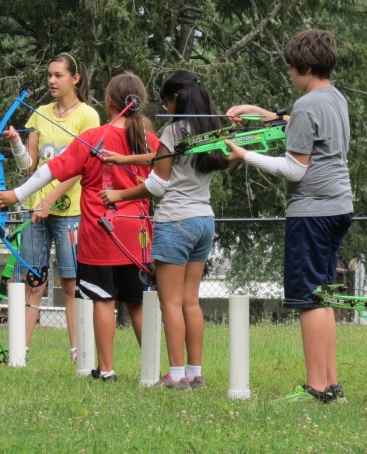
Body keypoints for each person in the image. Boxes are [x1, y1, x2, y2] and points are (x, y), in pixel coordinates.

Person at [0, 72, 159, 381]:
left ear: (109, 102)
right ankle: (151, 372)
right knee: (138, 302)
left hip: (101, 233)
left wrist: (16, 195)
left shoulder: (93, 136)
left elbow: (51, 171)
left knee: (103, 298)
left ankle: (107, 370)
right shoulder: (149, 140)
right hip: (137, 234)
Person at [225, 29, 352, 402]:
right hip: (338, 208)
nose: (289, 75)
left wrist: (243, 155)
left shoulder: (307, 105)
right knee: (324, 295)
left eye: (291, 69)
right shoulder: (334, 98)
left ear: (305, 67)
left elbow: (295, 170)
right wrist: (257, 112)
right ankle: (330, 384)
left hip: (311, 213)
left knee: (308, 298)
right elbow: (296, 123)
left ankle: (316, 388)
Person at [100, 70, 230, 390]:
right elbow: (165, 157)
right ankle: (194, 374)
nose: (165, 107)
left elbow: (158, 183)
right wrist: (124, 159)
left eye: (166, 101)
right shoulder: (209, 130)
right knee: (190, 301)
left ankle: (174, 377)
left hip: (175, 223)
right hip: (203, 222)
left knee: (170, 302)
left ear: (176, 99)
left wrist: (119, 195)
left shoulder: (174, 130)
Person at [3, 53, 99, 363]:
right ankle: (21, 350)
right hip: (36, 211)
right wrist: (17, 143)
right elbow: (29, 167)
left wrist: (48, 201)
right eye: (49, 75)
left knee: (71, 284)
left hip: (70, 212)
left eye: (58, 75)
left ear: (75, 79)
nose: (52, 81)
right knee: (34, 282)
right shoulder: (39, 114)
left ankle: (77, 352)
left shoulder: (88, 116)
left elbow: (77, 169)